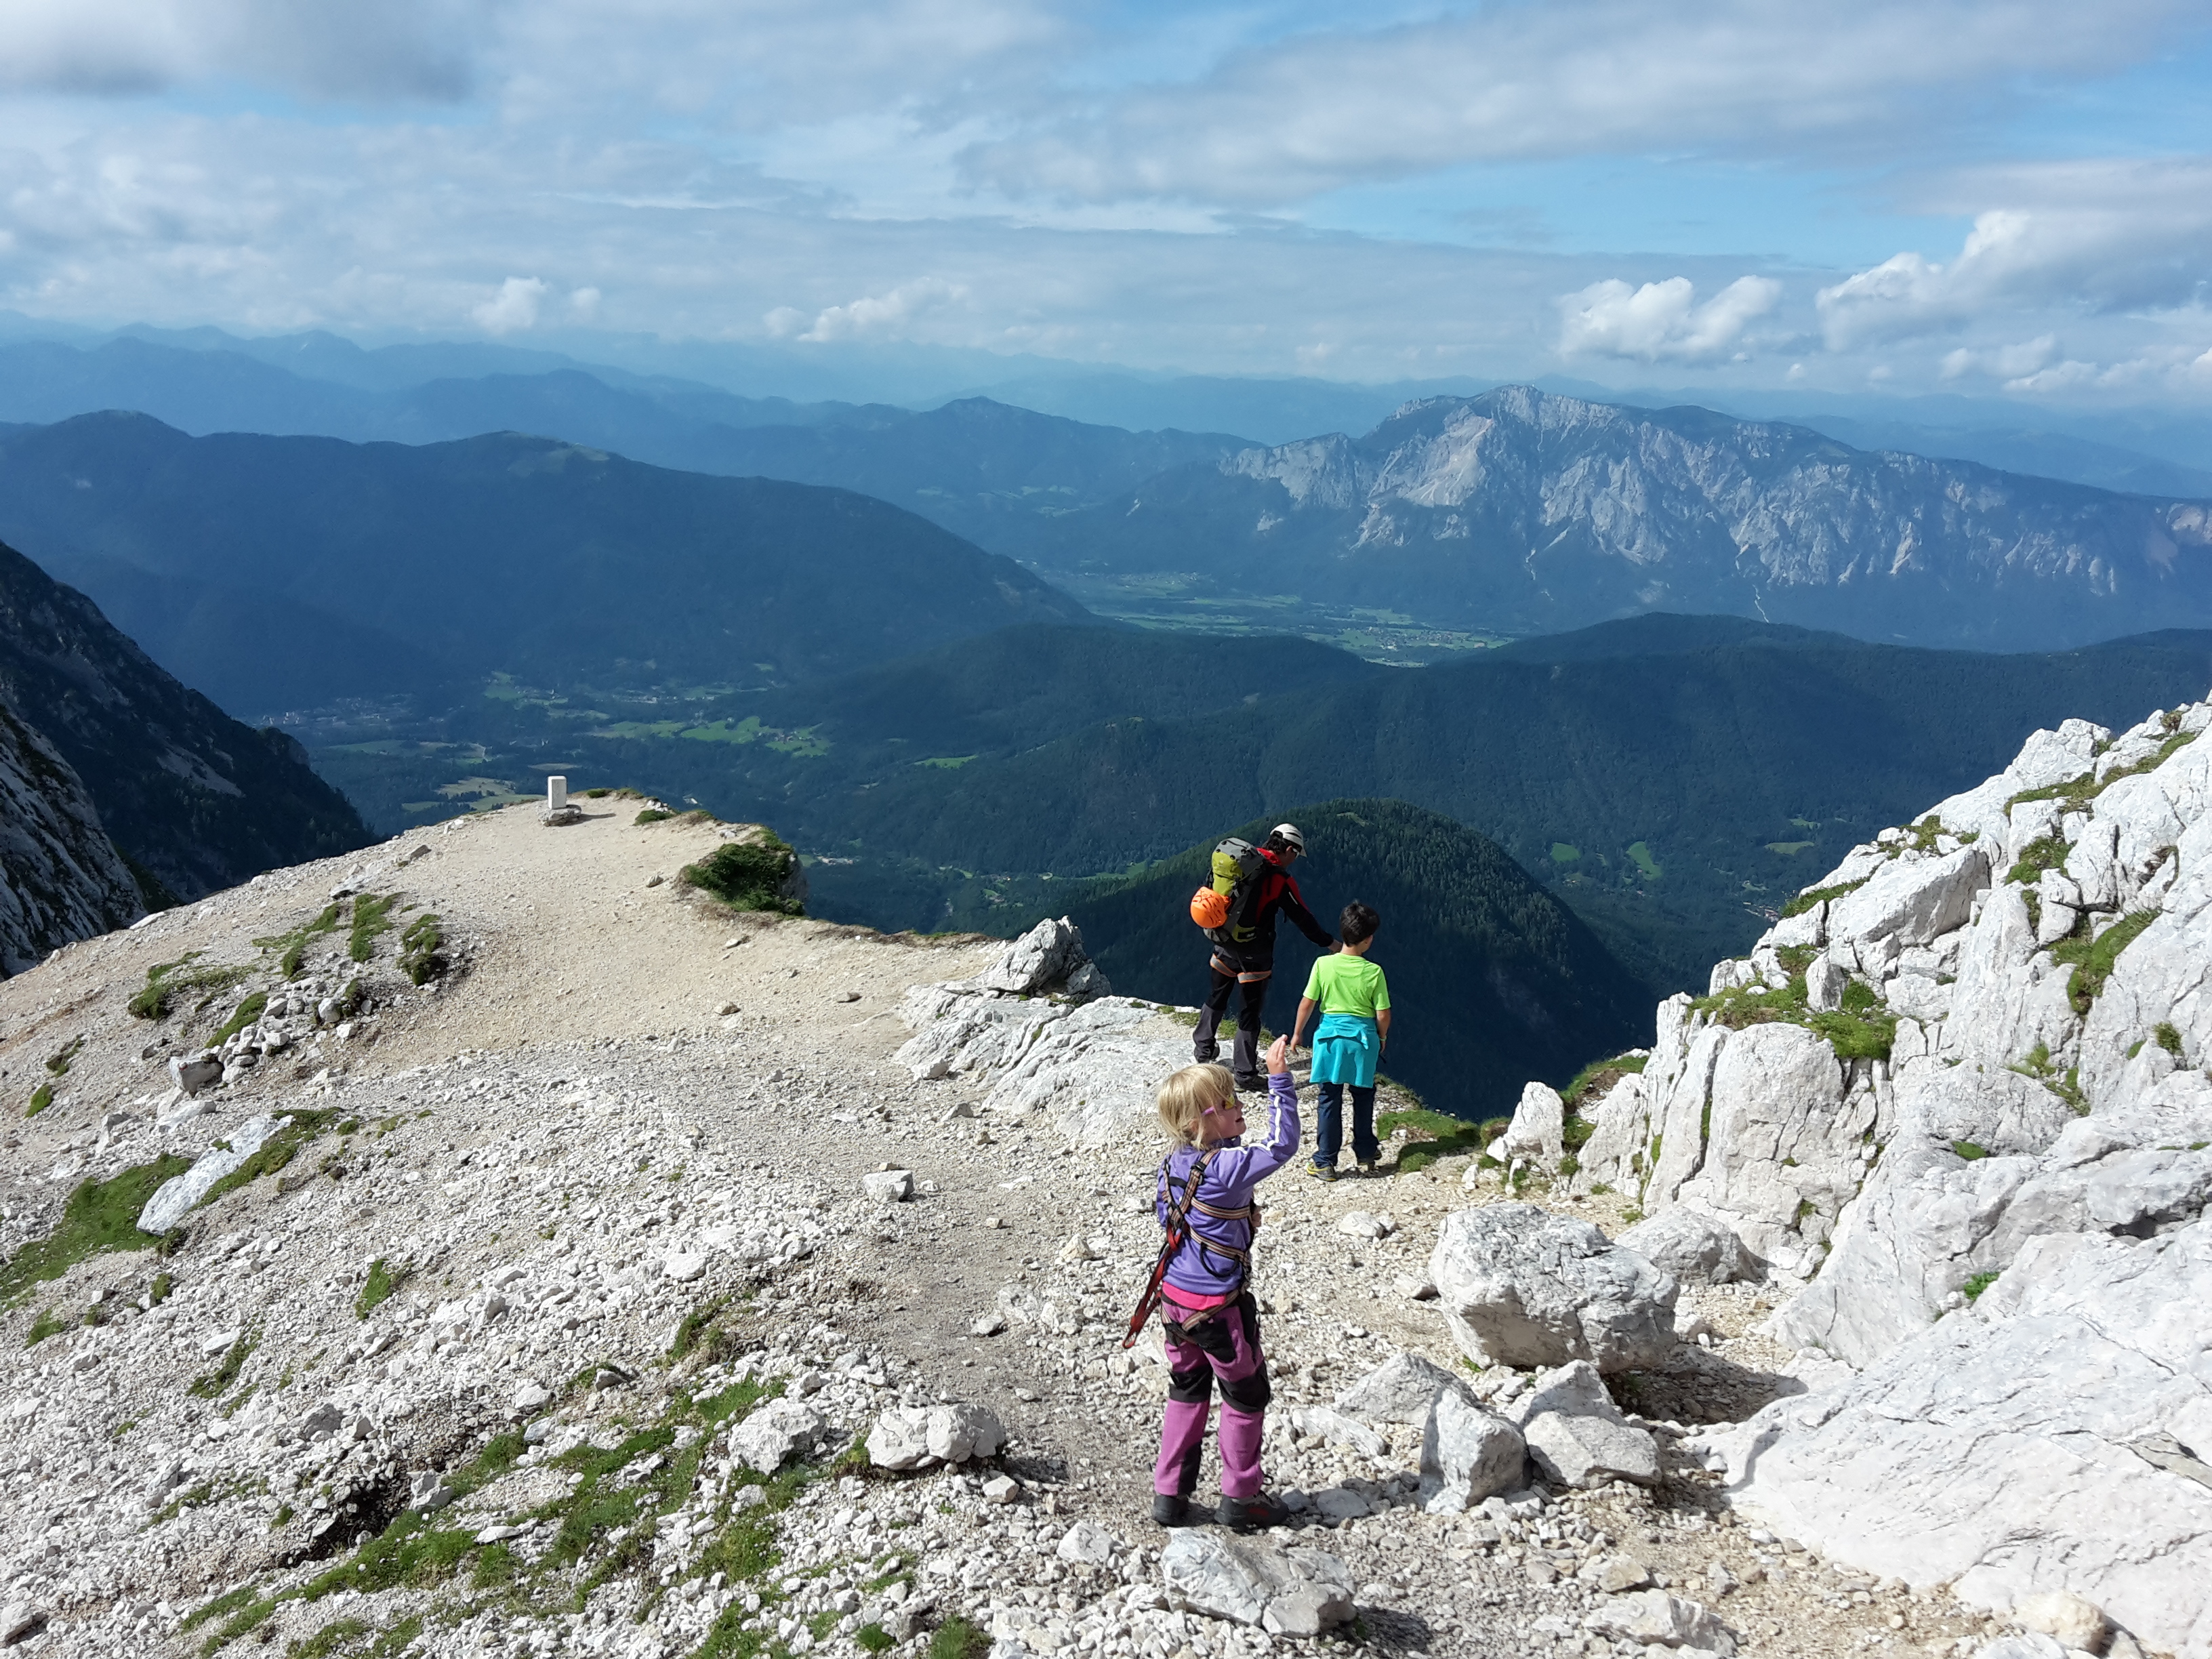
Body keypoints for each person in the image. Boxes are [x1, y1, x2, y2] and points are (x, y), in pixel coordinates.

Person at [1147, 1034, 1299, 1532]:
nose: (1238, 1105)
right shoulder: (1229, 1168)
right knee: (1245, 1393)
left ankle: (1170, 1495)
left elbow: (1164, 1216)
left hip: (1174, 1302)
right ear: (1200, 1121)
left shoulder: (1174, 1163)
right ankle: (1241, 1497)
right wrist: (1279, 1080)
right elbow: (1282, 1145)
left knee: (1187, 1388)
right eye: (1227, 1101)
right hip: (1218, 1306)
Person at [1193, 823, 1335, 1091]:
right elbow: (1303, 917)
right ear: (1289, 849)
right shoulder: (1278, 879)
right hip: (1255, 954)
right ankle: (1245, 1074)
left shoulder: (1239, 864)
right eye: (1296, 855)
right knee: (1249, 1012)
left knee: (1216, 996)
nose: (1294, 861)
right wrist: (1331, 943)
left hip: (1223, 942)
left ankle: (1203, 1050)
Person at [1290, 901, 1391, 1181]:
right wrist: (1381, 1037)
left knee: (1329, 1098)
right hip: (1362, 1041)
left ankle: (1325, 1161)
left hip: (1330, 1041)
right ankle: (1366, 1152)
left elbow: (1307, 1003)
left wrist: (1298, 1033)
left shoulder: (1323, 965)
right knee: (1363, 1096)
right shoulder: (1374, 972)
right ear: (1368, 940)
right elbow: (1383, 1014)